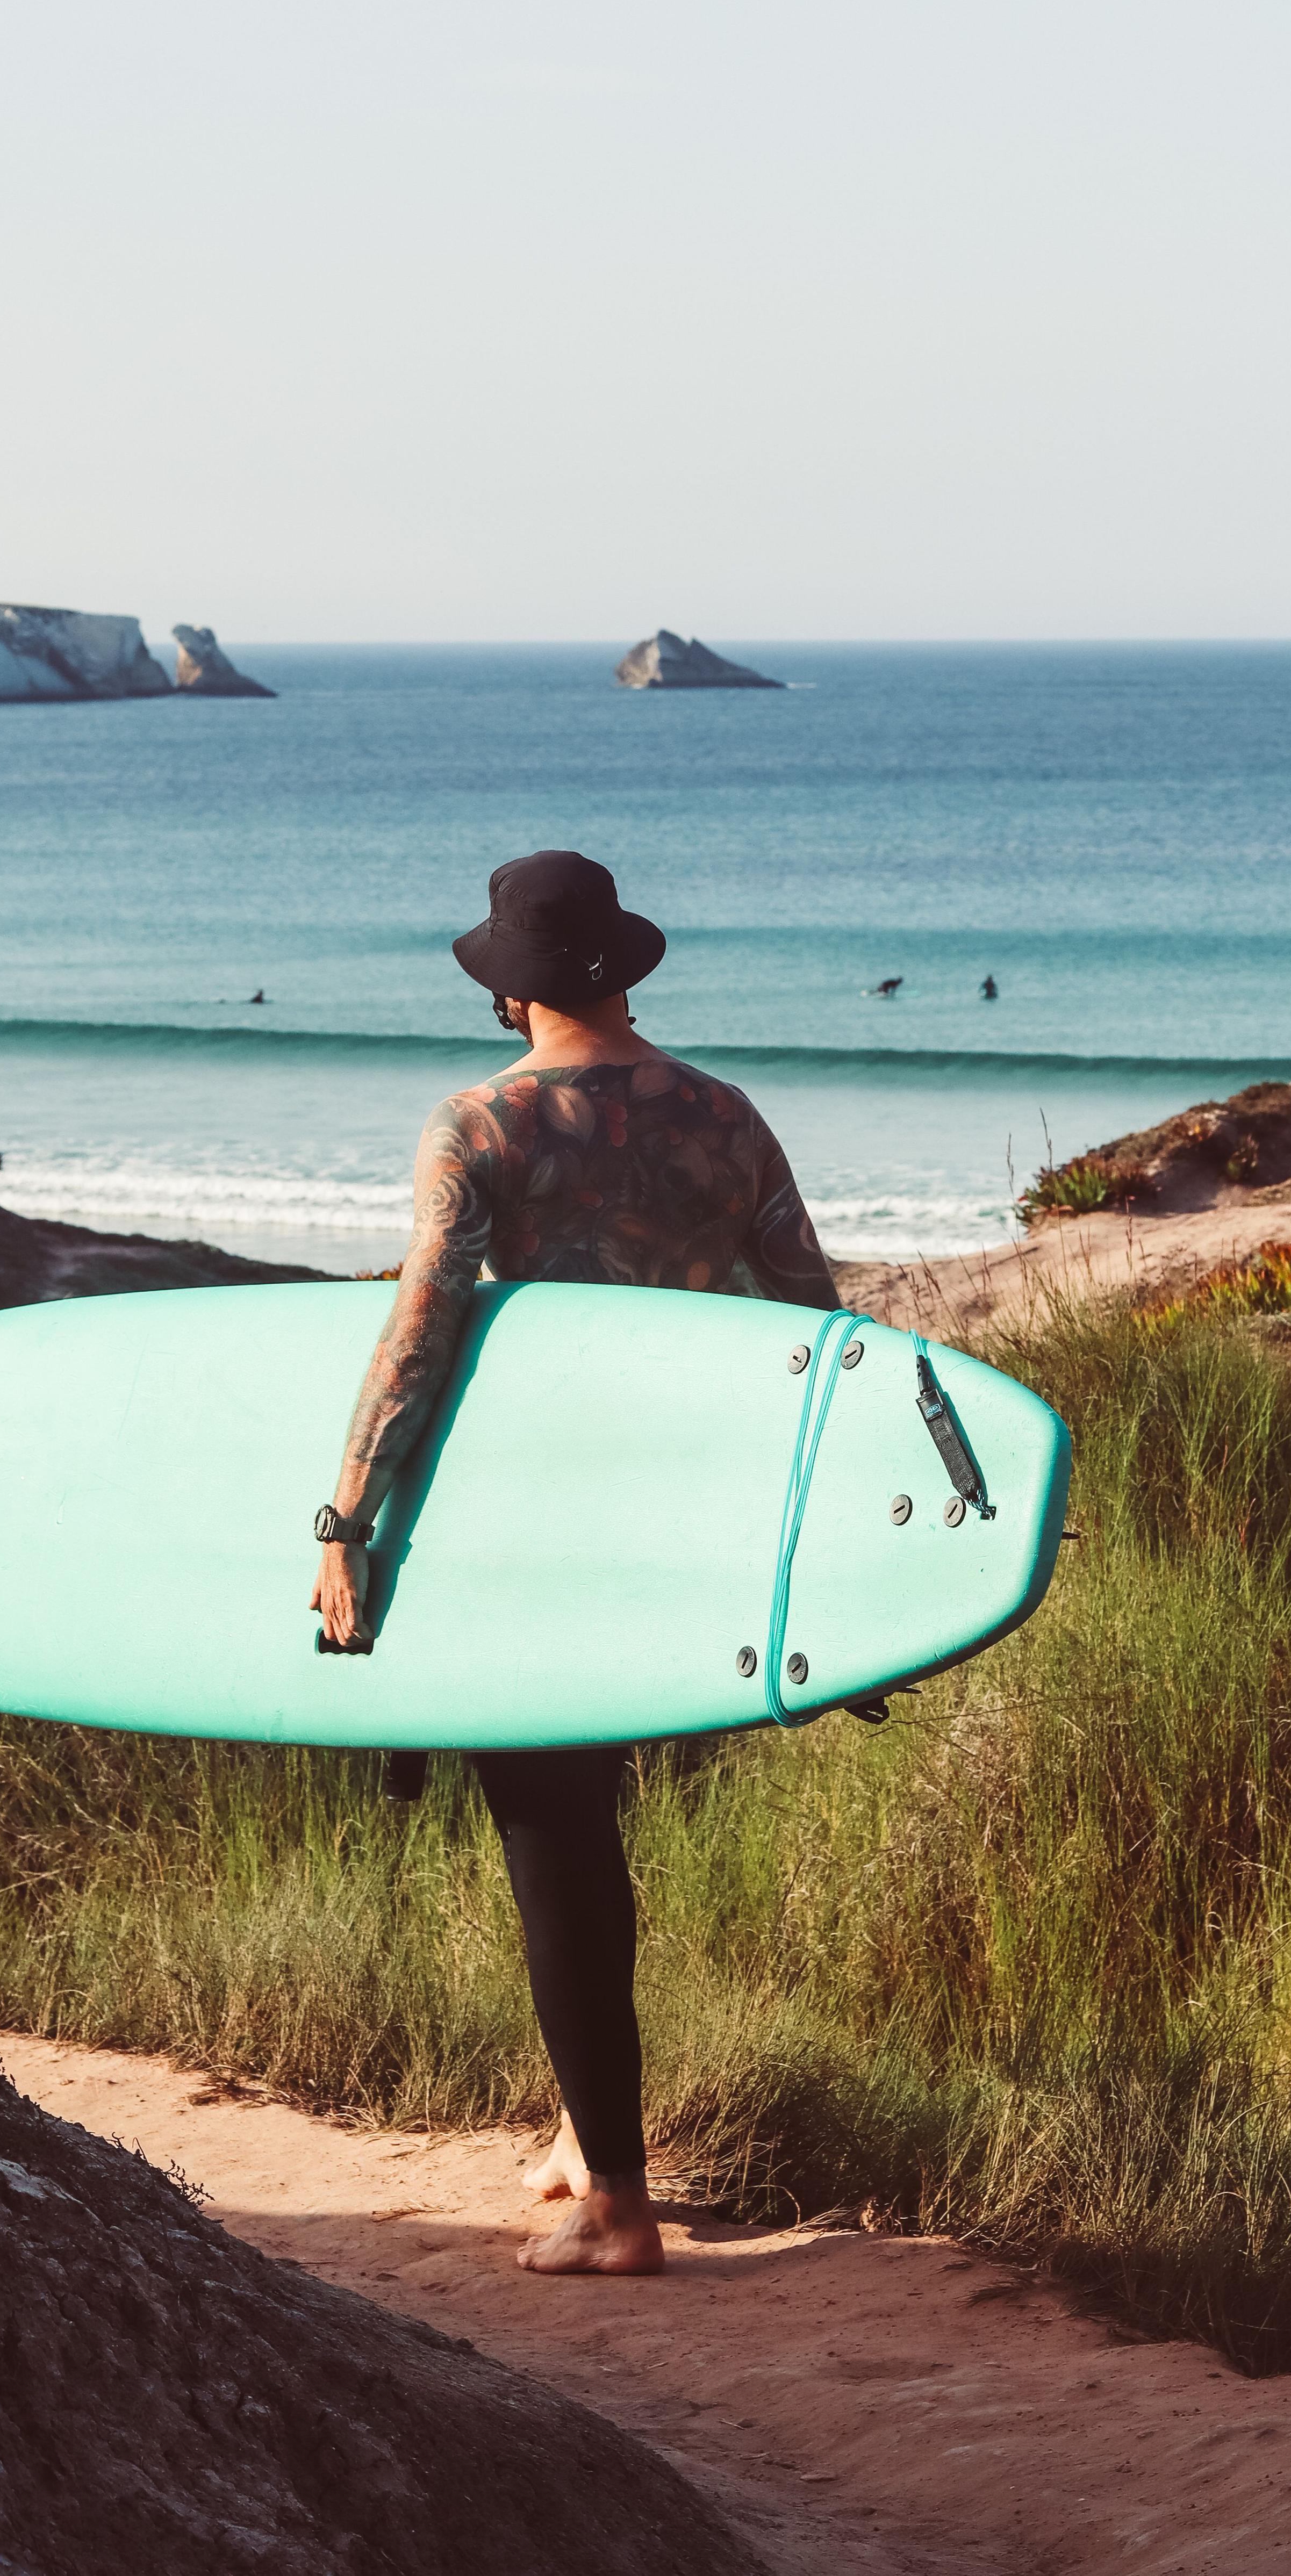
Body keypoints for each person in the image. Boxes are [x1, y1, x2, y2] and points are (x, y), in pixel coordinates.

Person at [309, 850, 844, 2276]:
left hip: (527, 1522)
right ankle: (580, 2130)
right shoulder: (727, 1123)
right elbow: (812, 1322)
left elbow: (422, 1331)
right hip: (678, 1513)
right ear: (624, 970)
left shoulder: (482, 1124)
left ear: (511, 990)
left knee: (550, 1836)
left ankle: (617, 2206)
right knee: (587, 1820)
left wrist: (348, 1521)